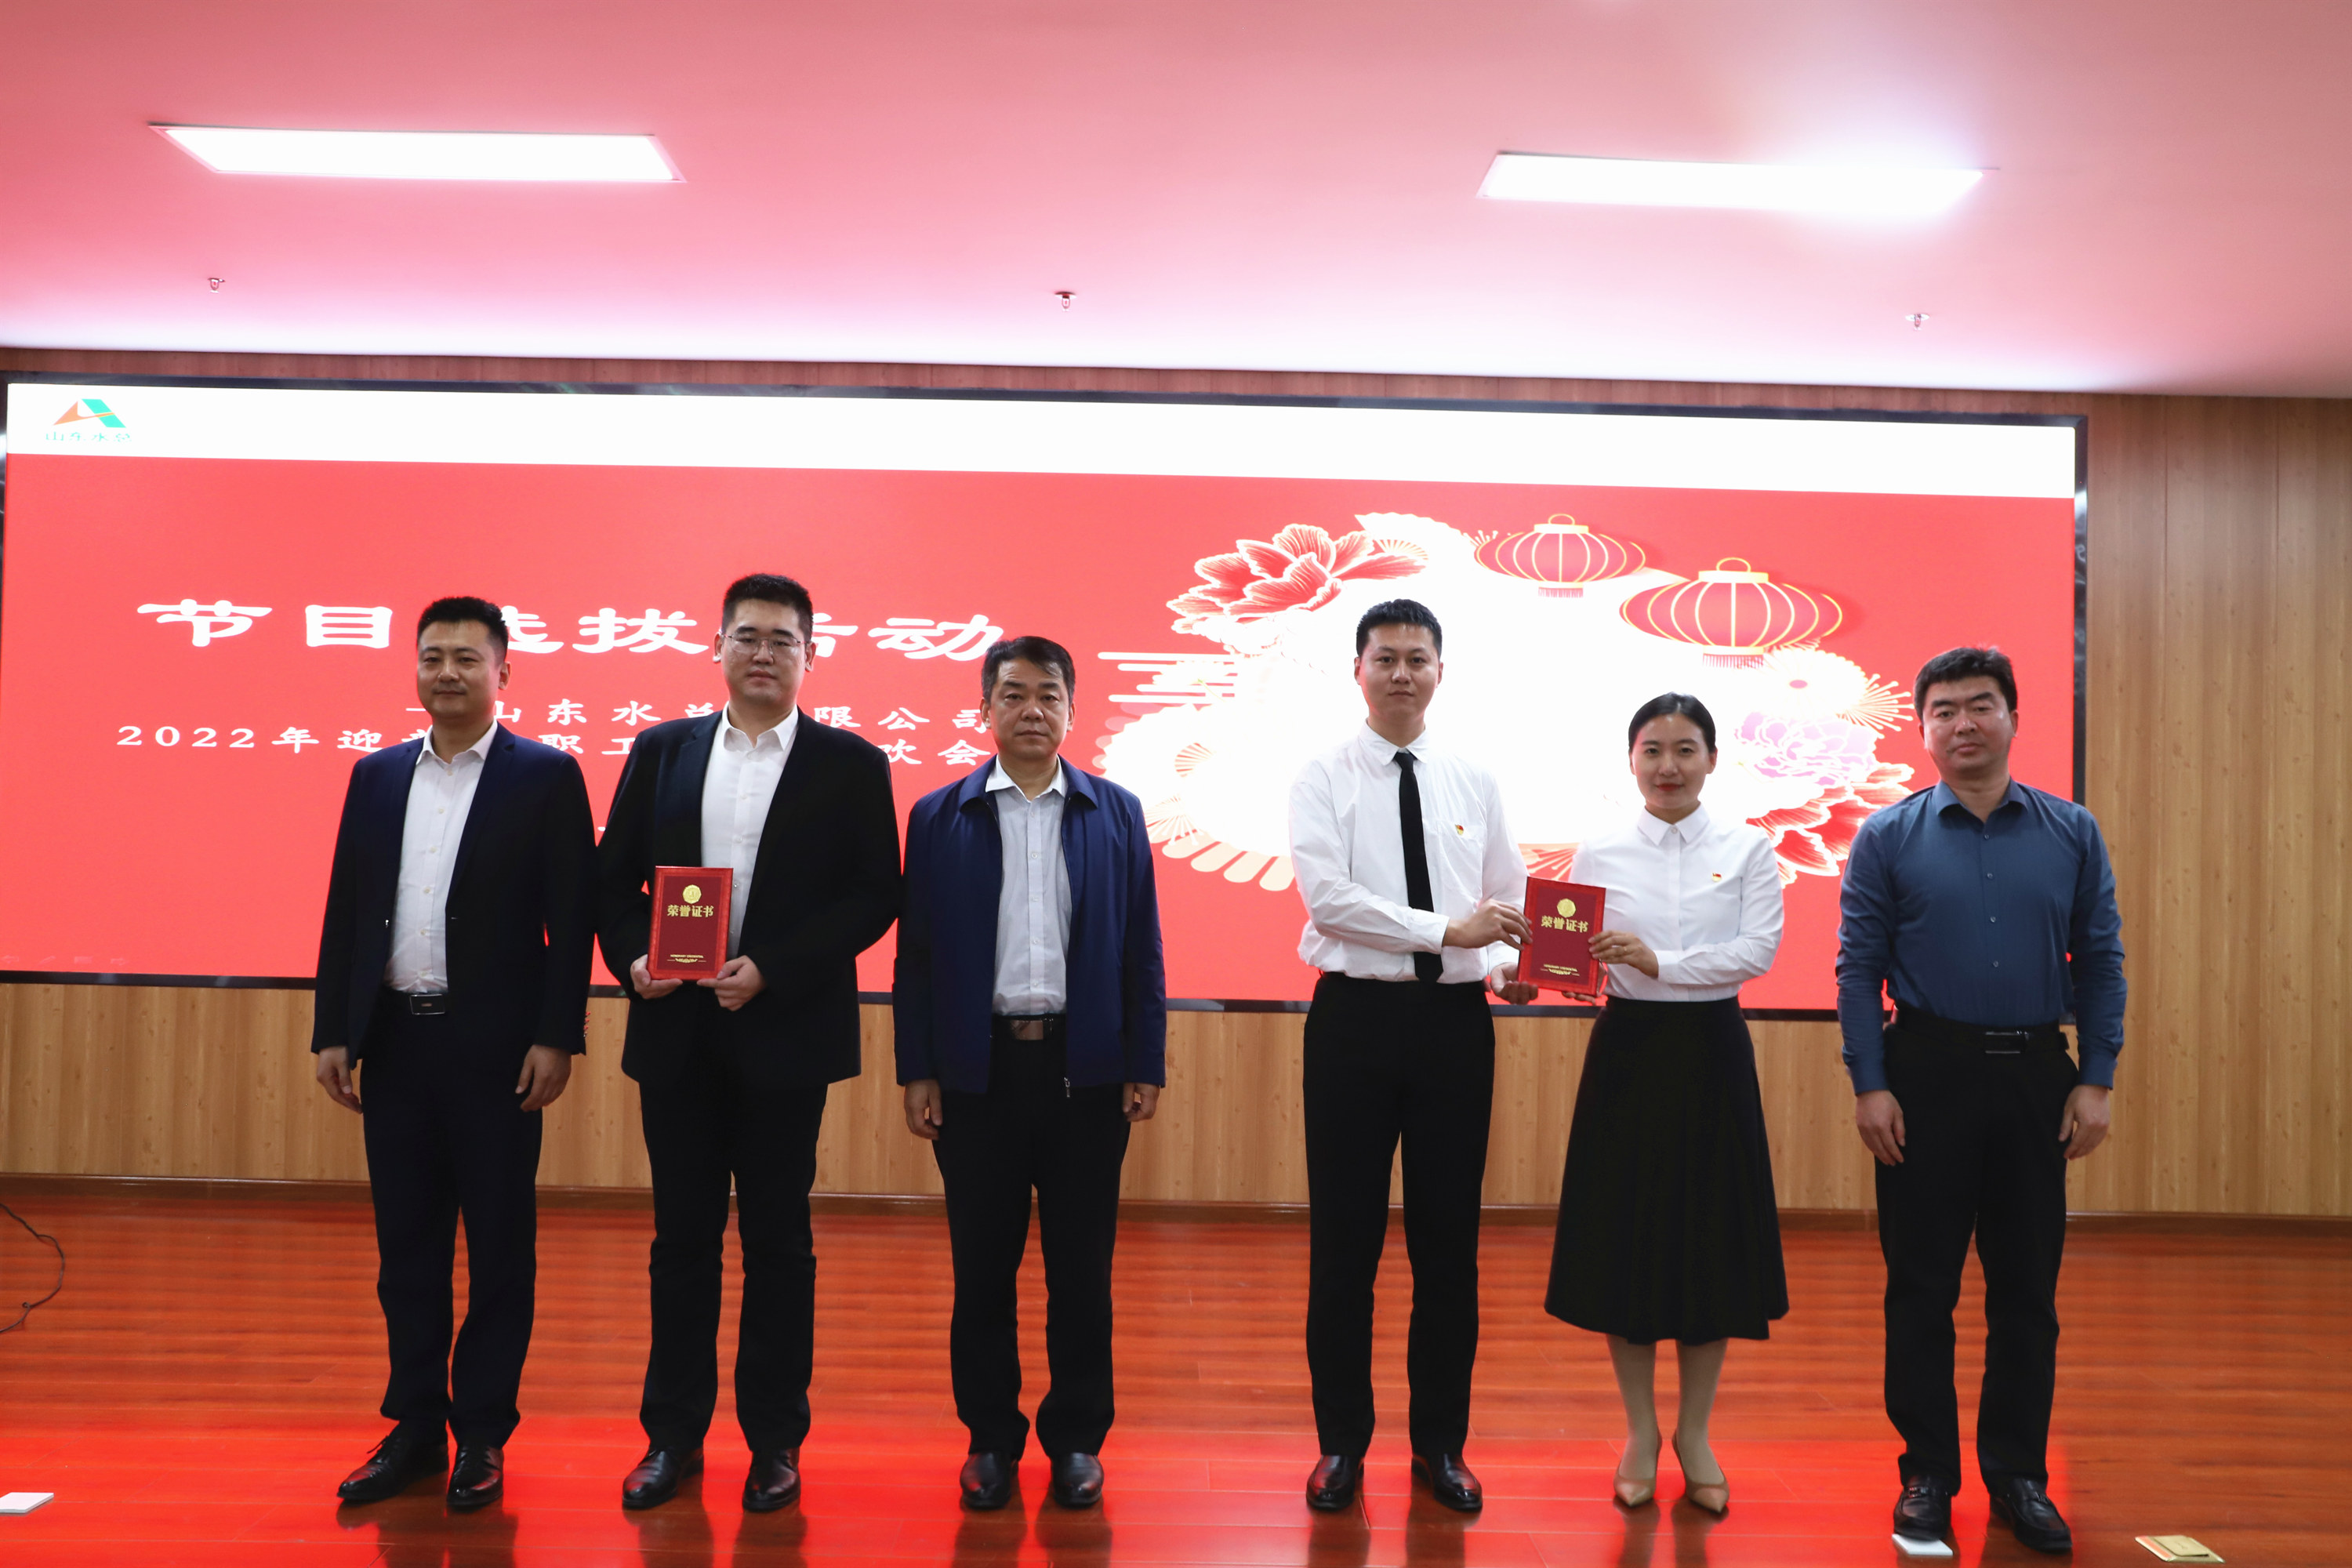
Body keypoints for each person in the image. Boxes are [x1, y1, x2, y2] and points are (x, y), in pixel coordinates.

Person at [597, 572, 901, 1514]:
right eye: (748, 636)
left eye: (782, 639)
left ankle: (775, 1441)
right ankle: (671, 1437)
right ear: (718, 646)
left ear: (812, 653)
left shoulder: (851, 763)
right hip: (676, 1031)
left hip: (785, 1034)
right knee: (681, 1241)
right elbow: (612, 881)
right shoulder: (663, 749)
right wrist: (633, 959)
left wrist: (773, 965)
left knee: (778, 1242)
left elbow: (873, 894)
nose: (763, 653)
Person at [312, 596, 597, 1511]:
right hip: (396, 1041)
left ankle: (482, 1430)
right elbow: (349, 907)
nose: (447, 672)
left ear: (503, 671)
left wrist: (557, 1034)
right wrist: (334, 1026)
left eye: (467, 658)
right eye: (432, 656)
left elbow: (573, 919)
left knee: (501, 1247)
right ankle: (415, 1426)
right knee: (408, 1248)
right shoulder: (375, 774)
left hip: (497, 1050)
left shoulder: (546, 775)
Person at [1838, 646, 2125, 1555]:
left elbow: (2102, 958)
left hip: (2038, 1075)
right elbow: (1857, 968)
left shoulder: (2072, 830)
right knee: (1921, 1288)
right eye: (1945, 709)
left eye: (1981, 704)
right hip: (1924, 1074)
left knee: (2027, 1291)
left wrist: (2097, 1074)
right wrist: (1870, 1082)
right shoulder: (1887, 835)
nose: (1964, 722)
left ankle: (2019, 1476)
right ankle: (1926, 1474)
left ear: (2013, 717)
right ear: (1922, 729)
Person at [893, 636, 1167, 1512]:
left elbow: (1141, 947)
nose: (1032, 710)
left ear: (1072, 710)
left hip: (1085, 1072)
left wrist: (1145, 1059)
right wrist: (917, 1067)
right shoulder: (940, 815)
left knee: (1080, 1271)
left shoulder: (1115, 812)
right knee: (983, 1269)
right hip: (976, 1073)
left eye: (1050, 695)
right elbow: (917, 955)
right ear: (985, 709)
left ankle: (1077, 1439)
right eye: (1013, 694)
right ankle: (990, 1438)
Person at [1285, 597, 1533, 1515]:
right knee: (1343, 1243)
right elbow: (1328, 899)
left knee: (1449, 1244)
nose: (1401, 672)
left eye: (1416, 657)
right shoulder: (1322, 775)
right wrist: (1446, 929)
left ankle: (1441, 1444)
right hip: (1353, 1020)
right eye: (1384, 657)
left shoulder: (1474, 778)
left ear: (1439, 671)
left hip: (1455, 1027)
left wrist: (1506, 966)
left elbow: (1504, 900)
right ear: (1357, 670)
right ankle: (1341, 1443)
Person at [1534, 693, 1787, 1515]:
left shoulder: (1748, 847)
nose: (1668, 766)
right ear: (1631, 760)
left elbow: (1757, 951)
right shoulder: (1599, 850)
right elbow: (1573, 958)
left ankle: (1696, 1433)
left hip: (1713, 1050)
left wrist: (1661, 961)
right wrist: (1535, 973)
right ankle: (1641, 1432)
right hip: (1629, 1053)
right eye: (1652, 750)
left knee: (1711, 1244)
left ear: (1712, 758)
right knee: (1628, 1242)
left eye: (1684, 749)